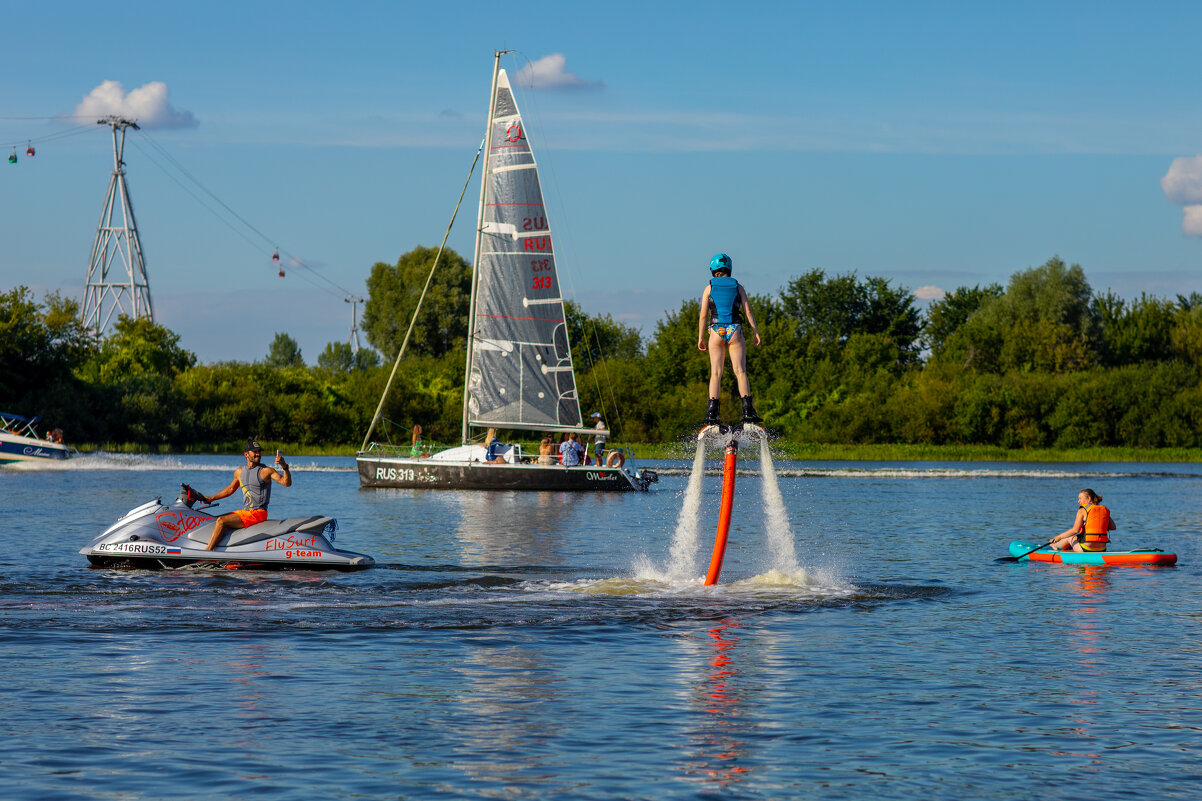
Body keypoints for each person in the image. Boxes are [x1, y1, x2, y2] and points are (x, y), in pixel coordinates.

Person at [697, 252, 762, 425]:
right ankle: (748, 411)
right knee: (740, 371)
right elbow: (748, 311)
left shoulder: (709, 287)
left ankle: (712, 413)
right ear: (730, 268)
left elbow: (703, 315)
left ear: (713, 269)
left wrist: (701, 337)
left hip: (716, 331)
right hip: (735, 329)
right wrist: (755, 332)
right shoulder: (738, 286)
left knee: (716, 373)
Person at [201, 440, 292, 550]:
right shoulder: (239, 472)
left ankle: (207, 552)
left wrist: (284, 466)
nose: (258, 454)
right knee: (214, 519)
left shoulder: (266, 471)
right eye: (255, 451)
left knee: (222, 521)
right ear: (246, 454)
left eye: (259, 451)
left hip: (259, 513)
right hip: (247, 512)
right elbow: (230, 489)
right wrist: (211, 498)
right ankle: (221, 550)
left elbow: (286, 483)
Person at [1050, 488, 1117, 553]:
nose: (1078, 501)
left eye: (1080, 498)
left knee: (1069, 537)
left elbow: (1075, 530)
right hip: (1102, 548)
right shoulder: (1104, 509)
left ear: (1088, 498)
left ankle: (1054, 546)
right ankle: (1063, 547)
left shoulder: (1082, 510)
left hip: (1086, 549)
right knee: (1076, 538)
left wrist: (1058, 537)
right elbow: (1113, 527)